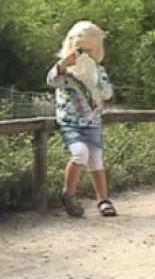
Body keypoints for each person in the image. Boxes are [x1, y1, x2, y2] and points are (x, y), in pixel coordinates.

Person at [47, 20, 117, 218]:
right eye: (80, 49)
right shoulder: (66, 72)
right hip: (71, 122)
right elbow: (51, 80)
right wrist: (63, 64)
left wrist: (95, 84)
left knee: (96, 160)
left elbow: (108, 93)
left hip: (92, 121)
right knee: (80, 154)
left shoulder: (98, 71)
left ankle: (103, 199)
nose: (84, 54)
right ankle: (68, 194)